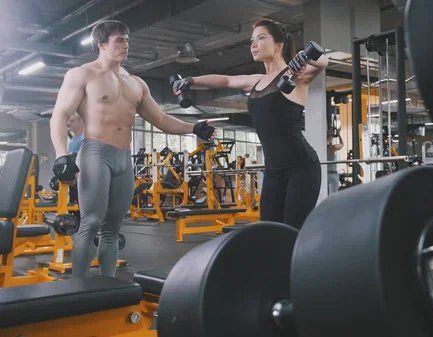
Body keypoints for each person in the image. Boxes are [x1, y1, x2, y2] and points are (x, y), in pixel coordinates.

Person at [49, 20, 217, 278]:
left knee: (113, 228)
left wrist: (194, 128)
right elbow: (60, 114)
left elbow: (161, 120)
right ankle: (77, 288)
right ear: (101, 44)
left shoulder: (136, 83)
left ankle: (108, 287)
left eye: (127, 40)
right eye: (119, 40)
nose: (125, 45)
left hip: (123, 158)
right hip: (95, 152)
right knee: (91, 223)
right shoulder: (82, 74)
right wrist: (62, 154)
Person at [172, 18, 329, 229]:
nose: (254, 44)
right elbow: (226, 81)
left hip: (301, 168)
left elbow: (323, 63)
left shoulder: (296, 76)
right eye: (252, 40)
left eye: (261, 38)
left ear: (279, 45)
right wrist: (191, 80)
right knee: (269, 232)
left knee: (293, 233)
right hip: (274, 171)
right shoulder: (256, 80)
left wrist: (304, 58)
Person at [66, 113, 84, 224]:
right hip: (74, 178)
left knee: (81, 203)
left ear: (80, 122)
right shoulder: (72, 141)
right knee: (74, 200)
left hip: (83, 177)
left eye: (72, 121)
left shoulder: (84, 139)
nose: (69, 123)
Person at [327, 129, 344, 194]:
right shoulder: (332, 148)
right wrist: (339, 134)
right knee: (333, 194)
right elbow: (342, 144)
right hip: (333, 174)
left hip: (324, 174)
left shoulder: (321, 147)